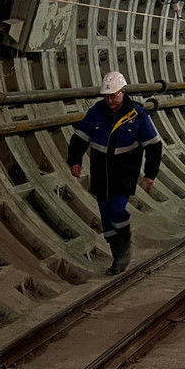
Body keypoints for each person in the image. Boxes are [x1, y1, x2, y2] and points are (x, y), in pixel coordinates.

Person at [67, 71, 162, 274]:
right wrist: (75, 160)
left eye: (114, 96)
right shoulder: (96, 112)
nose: (110, 100)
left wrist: (150, 173)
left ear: (123, 92)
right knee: (106, 217)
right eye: (107, 96)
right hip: (101, 173)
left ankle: (123, 251)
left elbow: (154, 145)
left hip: (124, 173)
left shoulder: (137, 114)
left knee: (118, 210)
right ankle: (116, 255)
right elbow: (80, 137)